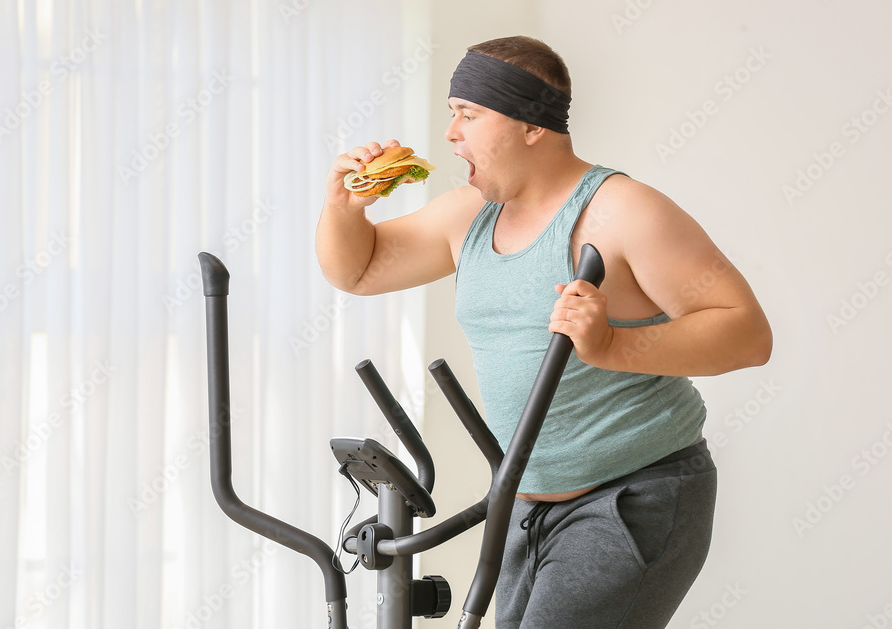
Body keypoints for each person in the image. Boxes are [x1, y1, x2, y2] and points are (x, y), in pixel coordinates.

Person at [315, 36, 772, 629]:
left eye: (469, 114)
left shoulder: (623, 212)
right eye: (453, 113)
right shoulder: (468, 215)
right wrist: (344, 209)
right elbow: (359, 269)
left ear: (533, 125)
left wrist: (613, 345)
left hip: (633, 492)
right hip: (525, 500)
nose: (452, 133)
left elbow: (747, 334)